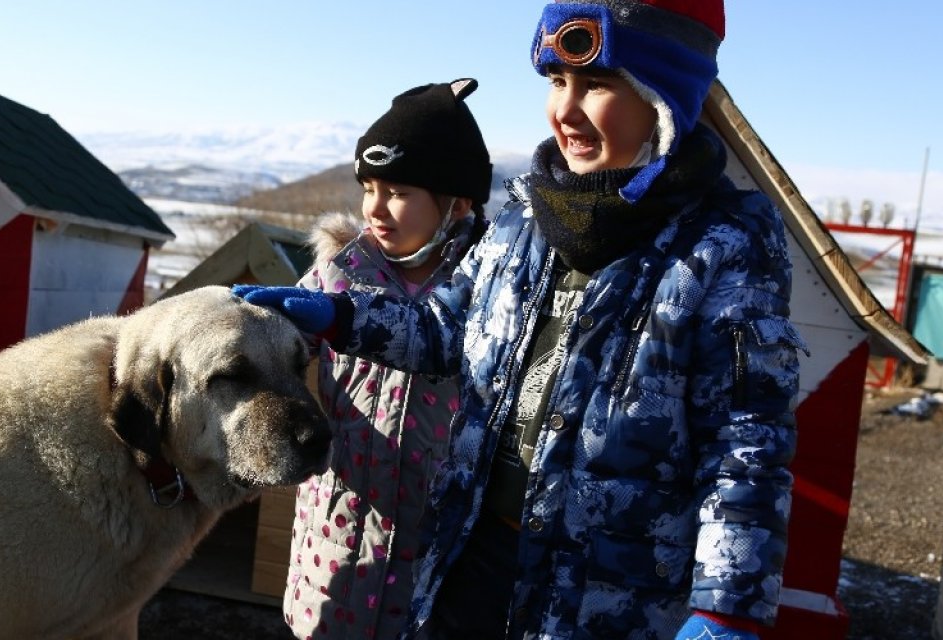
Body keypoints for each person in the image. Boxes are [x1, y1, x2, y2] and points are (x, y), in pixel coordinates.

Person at [239, 1, 807, 638]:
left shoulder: (720, 249)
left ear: (663, 97)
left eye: (595, 84)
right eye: (557, 82)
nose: (565, 110)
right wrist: (341, 316)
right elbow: (444, 332)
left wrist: (725, 603)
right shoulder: (523, 221)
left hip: (602, 601)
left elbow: (745, 443)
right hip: (470, 563)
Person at [279, 78, 493, 640]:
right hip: (336, 560)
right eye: (368, 186)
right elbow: (275, 357)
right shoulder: (337, 277)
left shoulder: (493, 296)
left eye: (398, 190)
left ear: (457, 204)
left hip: (434, 576)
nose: (375, 207)